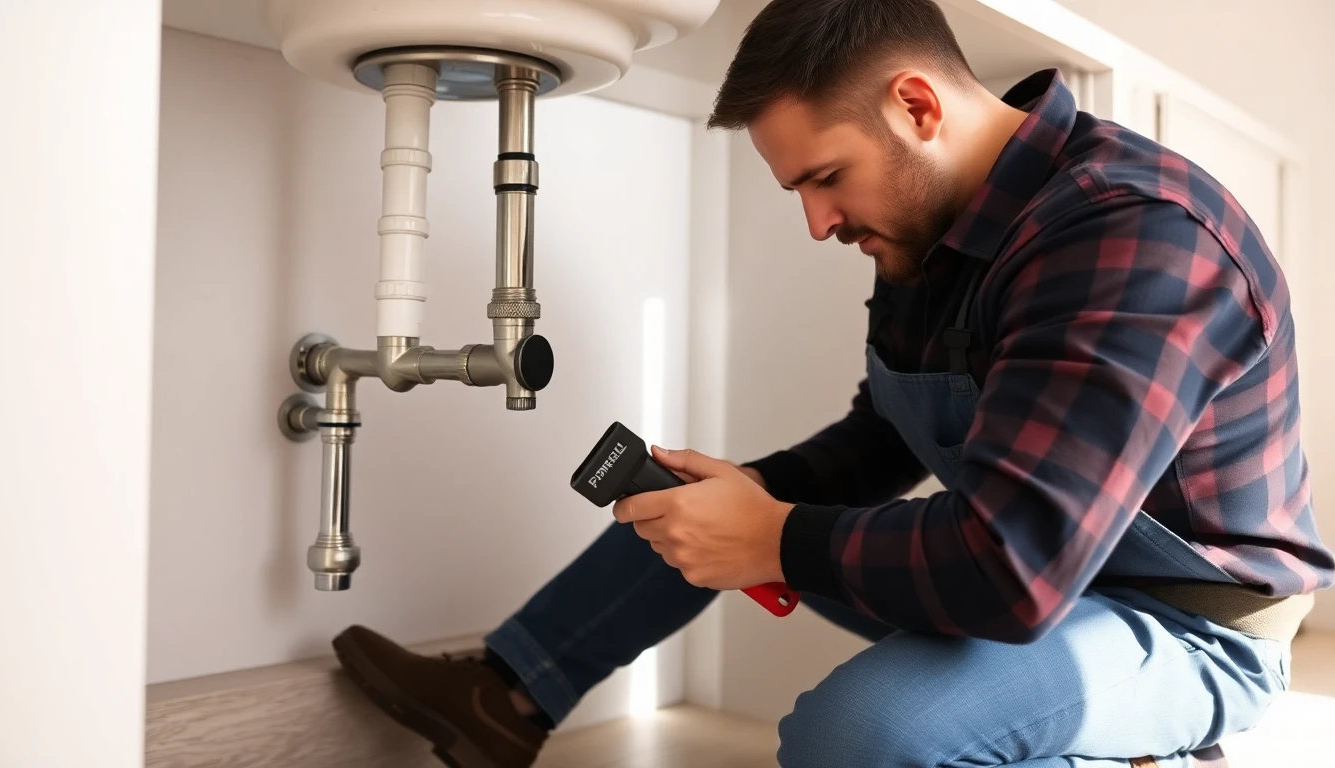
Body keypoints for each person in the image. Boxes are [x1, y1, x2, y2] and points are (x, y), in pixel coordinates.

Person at [330, 1, 1335, 765]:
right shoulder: (931, 228)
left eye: (825, 178)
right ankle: (506, 696)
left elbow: (1012, 570)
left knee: (854, 738)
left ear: (916, 106)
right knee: (687, 508)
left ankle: (1131, 744)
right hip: (1030, 570)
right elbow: (883, 437)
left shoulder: (1135, 236)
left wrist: (772, 536)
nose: (818, 224)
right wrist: (746, 503)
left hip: (1185, 622)